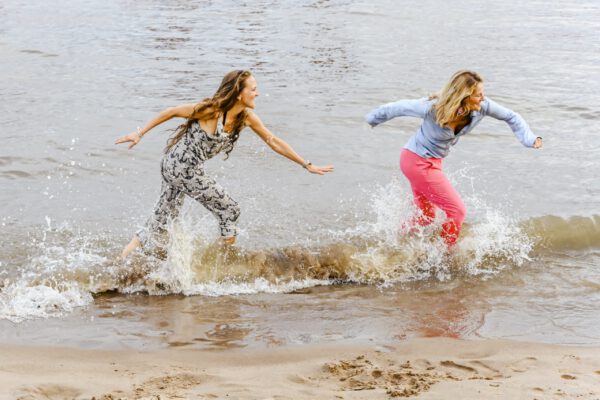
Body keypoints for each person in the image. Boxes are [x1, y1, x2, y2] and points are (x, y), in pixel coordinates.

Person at [116, 70, 333, 257]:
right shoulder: (212, 110)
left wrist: (306, 164)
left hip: (175, 167)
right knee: (229, 210)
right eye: (253, 89)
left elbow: (273, 141)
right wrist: (139, 133)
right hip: (181, 168)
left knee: (162, 219)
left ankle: (121, 261)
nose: (258, 93)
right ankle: (221, 264)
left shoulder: (246, 117)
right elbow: (172, 111)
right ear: (239, 93)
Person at [366, 70, 542, 245]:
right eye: (478, 95)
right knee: (457, 211)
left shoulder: (482, 107)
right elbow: (397, 107)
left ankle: (392, 242)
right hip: (417, 161)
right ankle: (444, 258)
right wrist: (372, 119)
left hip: (429, 162)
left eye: (483, 93)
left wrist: (530, 139)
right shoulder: (433, 107)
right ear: (464, 96)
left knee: (426, 217)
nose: (483, 98)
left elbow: (512, 117)